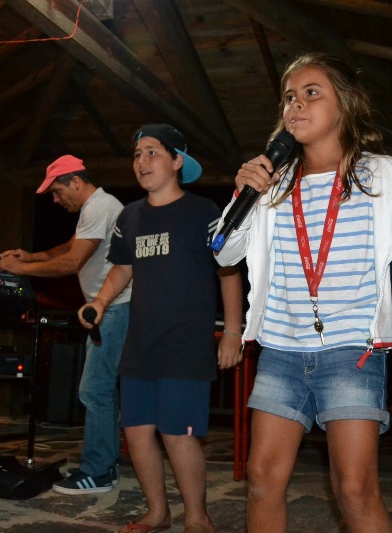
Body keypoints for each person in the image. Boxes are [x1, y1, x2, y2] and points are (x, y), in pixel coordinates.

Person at [211, 52, 392, 533]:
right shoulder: (271, 185)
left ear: (345, 104)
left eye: (311, 93)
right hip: (280, 349)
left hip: (351, 352)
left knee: (354, 489)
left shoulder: (382, 174)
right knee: (262, 480)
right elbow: (223, 252)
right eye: (289, 97)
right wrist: (244, 193)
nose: (295, 104)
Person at [78, 124, 243, 533]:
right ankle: (158, 512)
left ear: (177, 161)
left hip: (185, 344)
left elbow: (227, 271)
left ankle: (198, 517)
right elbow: (123, 268)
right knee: (136, 433)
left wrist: (233, 332)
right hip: (140, 343)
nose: (142, 161)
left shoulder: (204, 212)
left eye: (152, 152)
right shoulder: (130, 216)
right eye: (137, 155)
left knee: (177, 434)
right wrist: (100, 302)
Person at [0, 155, 132, 494]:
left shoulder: (99, 206)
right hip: (109, 310)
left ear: (75, 181)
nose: (56, 200)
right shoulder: (96, 207)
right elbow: (70, 246)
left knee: (95, 390)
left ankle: (98, 472)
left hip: (115, 308)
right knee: (100, 389)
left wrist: (21, 270)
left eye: (57, 191)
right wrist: (31, 256)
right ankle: (105, 466)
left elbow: (72, 262)